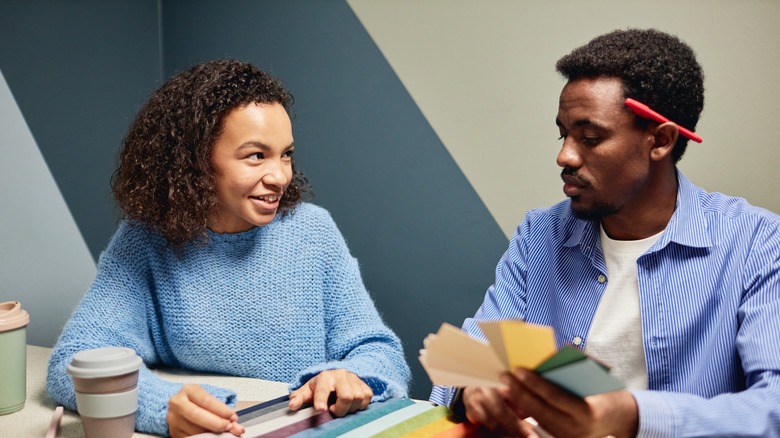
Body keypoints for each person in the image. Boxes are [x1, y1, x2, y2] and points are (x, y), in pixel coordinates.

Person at [430, 28, 780, 437]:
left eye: (590, 137)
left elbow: (773, 405)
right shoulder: (539, 235)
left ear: (661, 139)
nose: (565, 155)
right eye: (564, 134)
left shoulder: (759, 244)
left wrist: (632, 415)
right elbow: (470, 360)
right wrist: (473, 387)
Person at [47, 60, 410, 437]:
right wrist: (158, 403)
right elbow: (74, 360)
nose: (280, 176)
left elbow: (379, 351)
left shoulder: (314, 231)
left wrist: (350, 376)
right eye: (256, 155)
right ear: (196, 160)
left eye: (285, 153)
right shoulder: (146, 240)